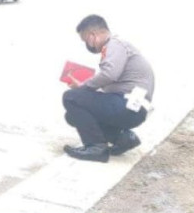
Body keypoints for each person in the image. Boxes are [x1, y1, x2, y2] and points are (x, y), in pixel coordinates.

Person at [62, 15, 154, 162]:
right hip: (131, 106)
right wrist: (84, 88)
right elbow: (111, 80)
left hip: (128, 105)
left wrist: (83, 88)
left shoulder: (115, 44)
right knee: (73, 116)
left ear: (93, 36)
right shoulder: (117, 47)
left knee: (70, 97)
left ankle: (96, 148)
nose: (88, 45)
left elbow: (109, 74)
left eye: (86, 40)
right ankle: (123, 139)